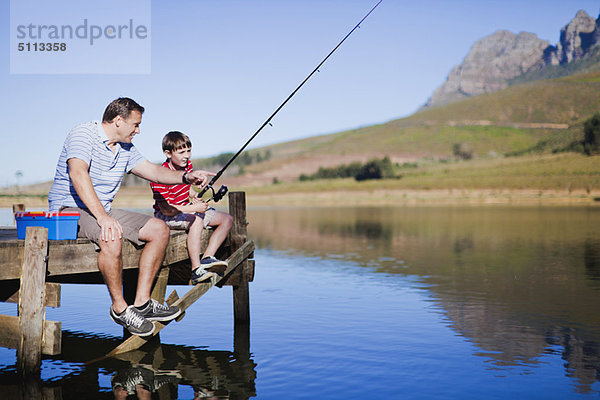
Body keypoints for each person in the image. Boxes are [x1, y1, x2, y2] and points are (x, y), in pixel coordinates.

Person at [48, 97, 216, 337]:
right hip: (68, 209)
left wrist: (186, 177)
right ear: (118, 120)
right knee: (111, 234)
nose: (138, 130)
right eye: (135, 125)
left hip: (100, 208)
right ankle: (120, 309)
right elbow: (77, 173)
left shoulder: (125, 148)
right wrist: (104, 219)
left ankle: (143, 303)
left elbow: (154, 172)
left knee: (159, 229)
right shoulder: (83, 133)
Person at [150, 131, 233, 284]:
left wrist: (193, 195)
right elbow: (167, 209)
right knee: (197, 220)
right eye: (181, 152)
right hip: (167, 216)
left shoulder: (187, 165)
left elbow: (185, 187)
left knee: (227, 219)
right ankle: (196, 270)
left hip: (186, 209)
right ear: (168, 153)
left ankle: (207, 258)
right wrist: (194, 209)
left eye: (189, 151)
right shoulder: (159, 175)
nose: (187, 155)